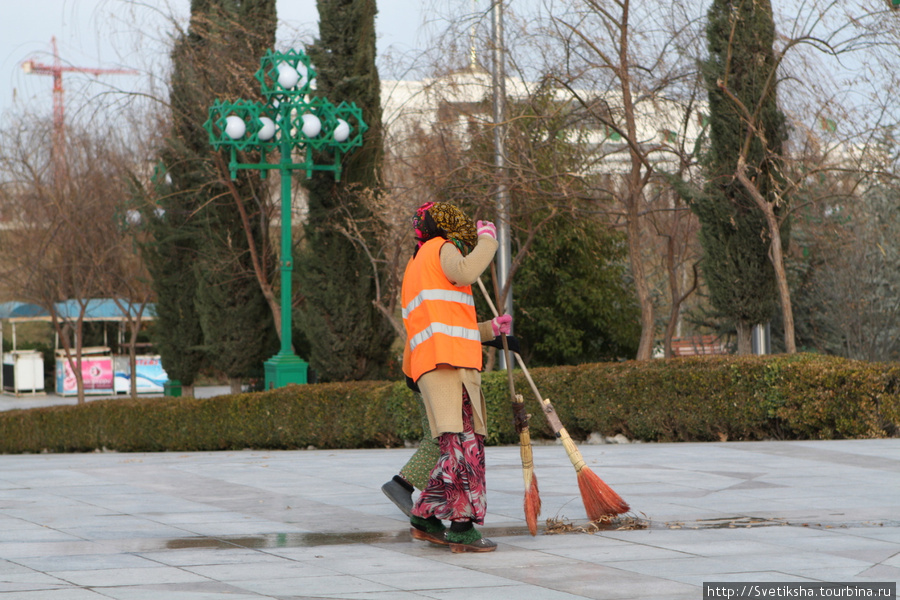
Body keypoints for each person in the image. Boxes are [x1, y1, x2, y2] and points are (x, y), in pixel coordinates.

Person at [394, 201, 510, 553]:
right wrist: (488, 240)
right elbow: (466, 271)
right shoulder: (441, 249)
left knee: (457, 446)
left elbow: (449, 326)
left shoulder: (420, 262)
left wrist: (491, 330)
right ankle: (460, 527)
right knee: (463, 448)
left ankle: (427, 516)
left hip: (441, 362)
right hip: (446, 365)